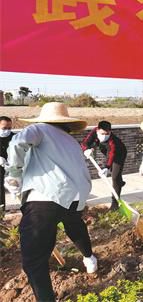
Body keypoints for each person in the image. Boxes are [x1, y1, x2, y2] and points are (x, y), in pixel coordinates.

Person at [4, 103, 97, 302]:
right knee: (75, 227)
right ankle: (90, 260)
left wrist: (14, 175)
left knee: (33, 261)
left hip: (45, 198)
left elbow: (17, 143)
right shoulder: (71, 140)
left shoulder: (39, 129)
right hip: (74, 198)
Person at [81, 121, 127, 210]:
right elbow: (85, 142)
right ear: (98, 130)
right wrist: (86, 149)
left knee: (115, 177)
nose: (105, 135)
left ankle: (115, 203)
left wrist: (106, 167)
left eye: (107, 133)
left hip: (119, 154)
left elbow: (112, 154)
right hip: (106, 151)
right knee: (116, 176)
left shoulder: (113, 141)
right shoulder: (94, 132)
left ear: (110, 131)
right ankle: (119, 182)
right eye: (102, 133)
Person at [0, 116, 14, 211]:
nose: (7, 131)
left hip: (11, 166)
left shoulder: (14, 137)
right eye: (4, 128)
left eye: (9, 128)